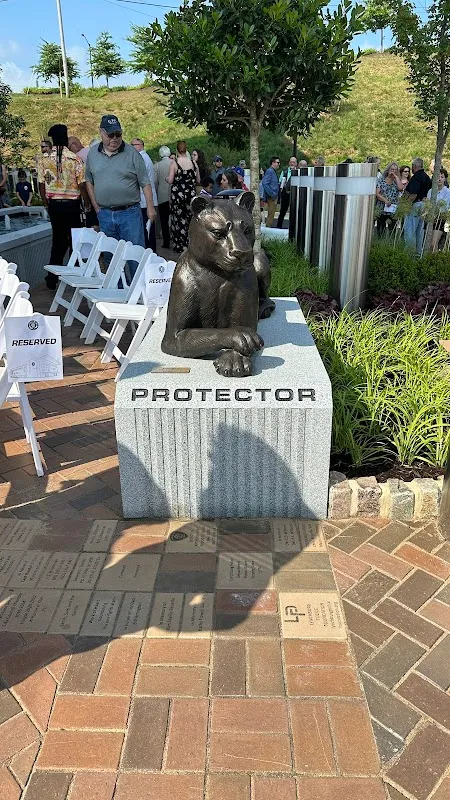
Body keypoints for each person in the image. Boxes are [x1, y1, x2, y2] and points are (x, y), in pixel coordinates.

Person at [85, 115, 156, 257]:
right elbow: (89, 180)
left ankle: (136, 280)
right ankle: (116, 281)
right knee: (110, 258)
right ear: (101, 132)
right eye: (110, 135)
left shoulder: (132, 153)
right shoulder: (92, 154)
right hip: (105, 214)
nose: (115, 139)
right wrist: (96, 206)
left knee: (135, 256)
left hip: (129, 214)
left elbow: (145, 182)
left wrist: (150, 207)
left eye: (118, 134)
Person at [38, 124, 87, 290]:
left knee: (58, 240)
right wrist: (86, 203)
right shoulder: (75, 159)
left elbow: (41, 185)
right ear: (66, 138)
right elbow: (82, 184)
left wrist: (47, 204)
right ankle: (76, 275)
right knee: (76, 240)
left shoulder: (44, 159)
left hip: (54, 205)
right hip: (72, 204)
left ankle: (52, 278)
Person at [166, 139, 197, 252]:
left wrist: (167, 179)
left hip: (178, 196)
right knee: (190, 219)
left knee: (178, 220)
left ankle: (180, 245)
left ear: (177, 150)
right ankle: (190, 244)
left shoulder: (174, 163)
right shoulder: (193, 163)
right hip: (190, 194)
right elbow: (197, 179)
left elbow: (170, 180)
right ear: (186, 149)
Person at [131, 137, 158, 252]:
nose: (131, 147)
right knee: (149, 231)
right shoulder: (145, 157)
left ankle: (148, 254)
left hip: (144, 200)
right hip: (147, 198)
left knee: (146, 231)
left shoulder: (141, 157)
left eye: (133, 145)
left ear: (140, 145)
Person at [403, 157, 432, 254]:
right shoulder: (427, 177)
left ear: (414, 166)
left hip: (415, 205)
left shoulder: (416, 177)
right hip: (424, 205)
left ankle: (409, 254)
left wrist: (405, 206)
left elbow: (413, 194)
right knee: (419, 232)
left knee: (410, 231)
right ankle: (418, 253)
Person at [375, 161, 403, 237]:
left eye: (395, 170)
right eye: (392, 169)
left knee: (392, 228)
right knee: (381, 228)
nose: (393, 171)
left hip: (392, 208)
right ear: (388, 170)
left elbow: (401, 188)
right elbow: (377, 193)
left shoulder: (396, 181)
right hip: (382, 207)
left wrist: (396, 177)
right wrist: (385, 200)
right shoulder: (381, 179)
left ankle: (390, 243)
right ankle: (379, 242)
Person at [427, 167, 450, 250]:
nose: (439, 179)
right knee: (428, 244)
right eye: (438, 176)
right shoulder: (430, 191)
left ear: (445, 179)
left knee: (434, 244)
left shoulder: (447, 192)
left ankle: (434, 261)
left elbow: (444, 207)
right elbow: (428, 205)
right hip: (429, 218)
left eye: (442, 177)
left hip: (439, 219)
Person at [155, 145, 172, 250]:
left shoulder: (157, 166)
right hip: (173, 194)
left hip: (161, 195)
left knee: (164, 220)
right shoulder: (173, 163)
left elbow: (155, 181)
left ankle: (166, 242)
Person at [277, 156, 297, 228]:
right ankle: (279, 227)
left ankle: (293, 229)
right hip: (285, 194)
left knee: (294, 212)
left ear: (296, 163)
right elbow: (280, 182)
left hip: (295, 195)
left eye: (293, 162)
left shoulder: (298, 172)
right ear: (289, 163)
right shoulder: (284, 171)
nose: (292, 163)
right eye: (291, 162)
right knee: (282, 211)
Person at [261, 156, 280, 227]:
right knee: (270, 215)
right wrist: (272, 194)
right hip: (272, 197)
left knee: (271, 215)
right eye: (277, 162)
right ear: (273, 163)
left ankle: (268, 228)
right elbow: (264, 183)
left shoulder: (272, 171)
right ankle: (267, 230)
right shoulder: (270, 171)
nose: (279, 164)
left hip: (273, 196)